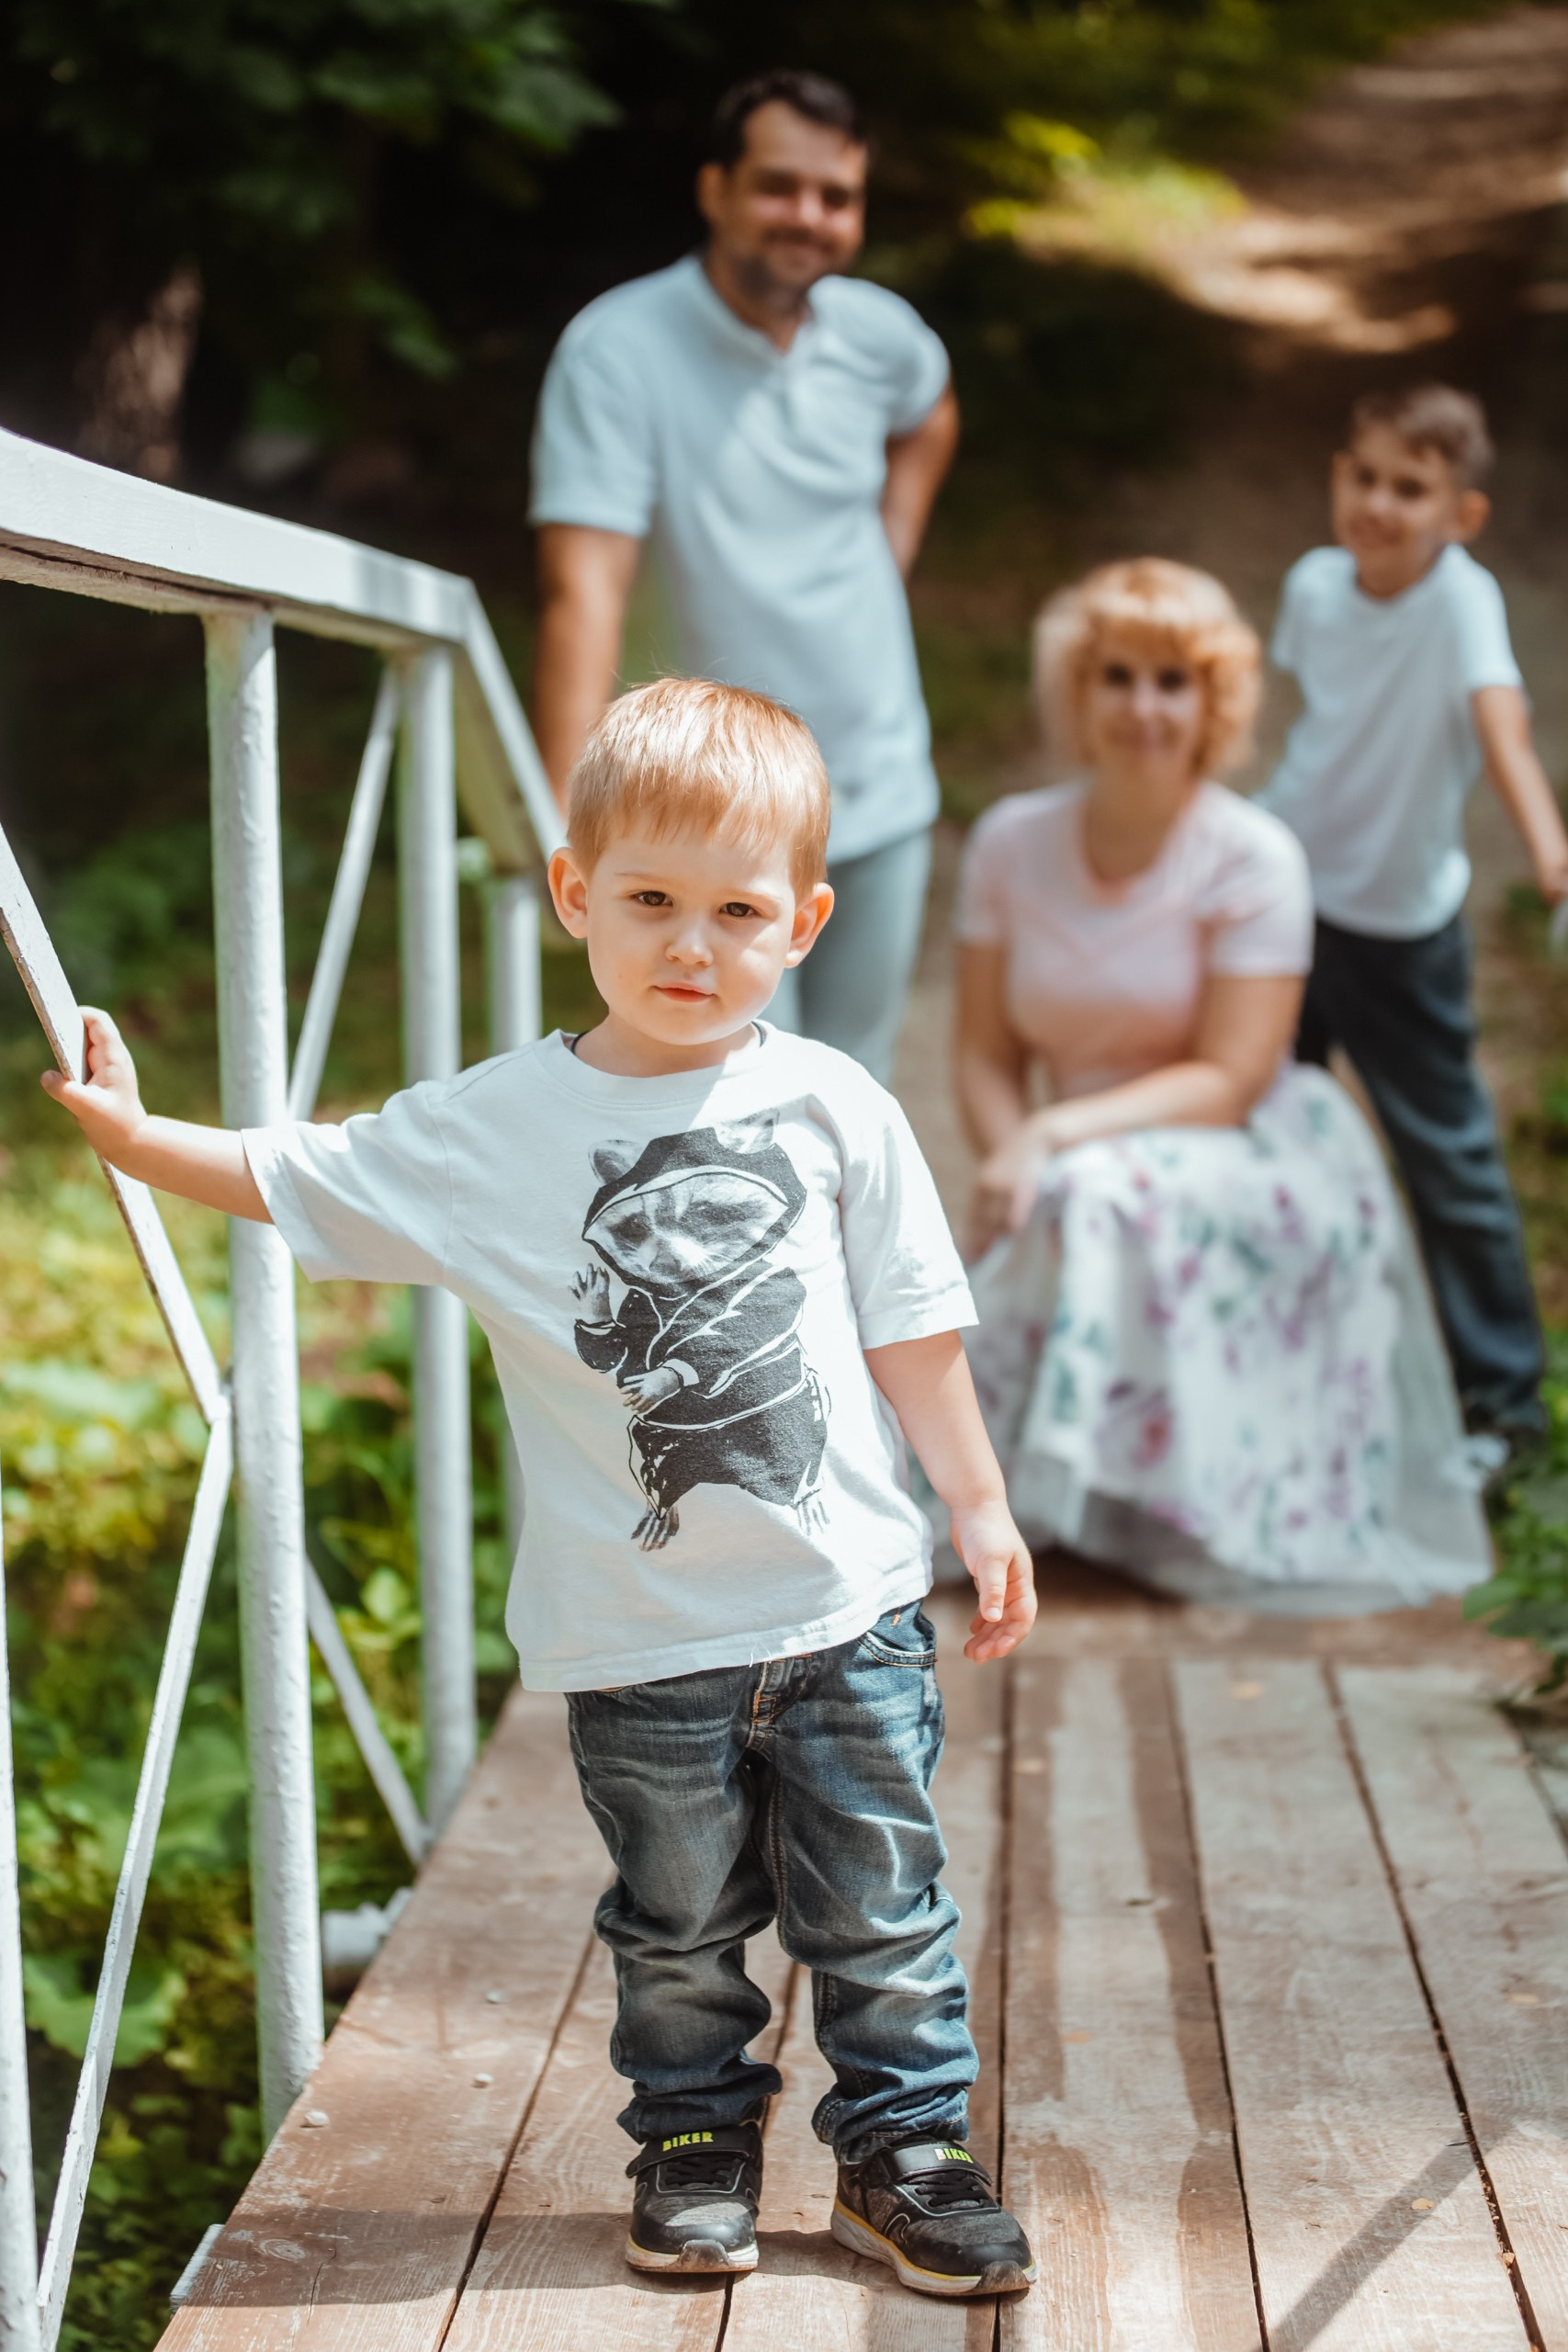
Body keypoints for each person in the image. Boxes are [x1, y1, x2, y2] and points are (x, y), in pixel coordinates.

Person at [43, 678, 1038, 2301]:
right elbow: (303, 1171)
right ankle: (696, 2145)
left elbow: (910, 1324)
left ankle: (905, 2155)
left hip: (846, 1610)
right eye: (648, 901)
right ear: (574, 892)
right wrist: (139, 1134)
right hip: (633, 1637)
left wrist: (979, 1510)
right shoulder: (498, 1129)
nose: (689, 946)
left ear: (803, 921)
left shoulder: (834, 1103)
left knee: (880, 1913)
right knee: (674, 1926)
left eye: (734, 911)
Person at [953, 558, 1491, 1610]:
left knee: (1091, 1191)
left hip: (1246, 1146)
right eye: (1118, 677)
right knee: (1044, 1208)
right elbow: (980, 1050)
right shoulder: (1010, 842)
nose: (1144, 707)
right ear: (1079, 690)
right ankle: (1042, 1498)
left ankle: (1146, 1507)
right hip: (1074, 1152)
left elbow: (1237, 1076)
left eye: (1174, 681)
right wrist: (1012, 1154)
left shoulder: (1254, 854)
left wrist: (1052, 1136)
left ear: (1214, 702)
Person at [528, 68, 959, 1084]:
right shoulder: (616, 351)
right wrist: (566, 811)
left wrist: (890, 546)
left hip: (879, 782)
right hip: (709, 821)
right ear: (714, 188)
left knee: (855, 1095)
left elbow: (932, 413)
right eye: (778, 186)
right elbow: (580, 588)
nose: (807, 217)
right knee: (727, 1094)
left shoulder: (878, 335)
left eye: (836, 196)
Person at [1263, 382, 1568, 1459]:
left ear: (1460, 516)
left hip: (1400, 935)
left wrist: (1551, 850)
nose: (1379, 504)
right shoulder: (1313, 584)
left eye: (1410, 487)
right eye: (1364, 476)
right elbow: (1311, 724)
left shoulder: (1460, 603)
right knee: (1266, 1136)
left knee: (1448, 1160)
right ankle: (1276, 1370)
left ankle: (1503, 1401)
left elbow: (1504, 729)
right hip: (1284, 909)